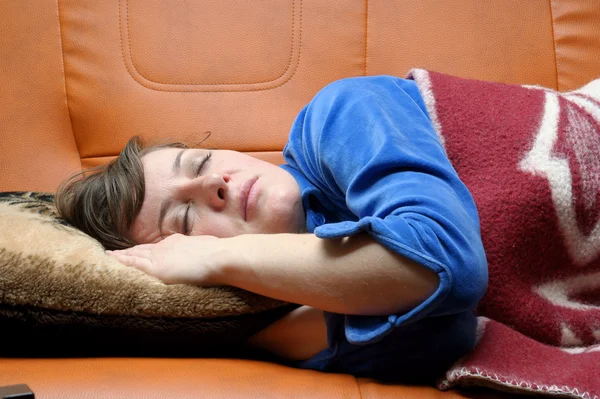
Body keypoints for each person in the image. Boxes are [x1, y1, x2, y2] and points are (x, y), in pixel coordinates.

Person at [55, 76, 488, 383]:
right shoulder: (279, 317)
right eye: (185, 219)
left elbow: (447, 265)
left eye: (201, 162)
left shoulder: (339, 113)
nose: (213, 184)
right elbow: (447, 333)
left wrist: (215, 255)